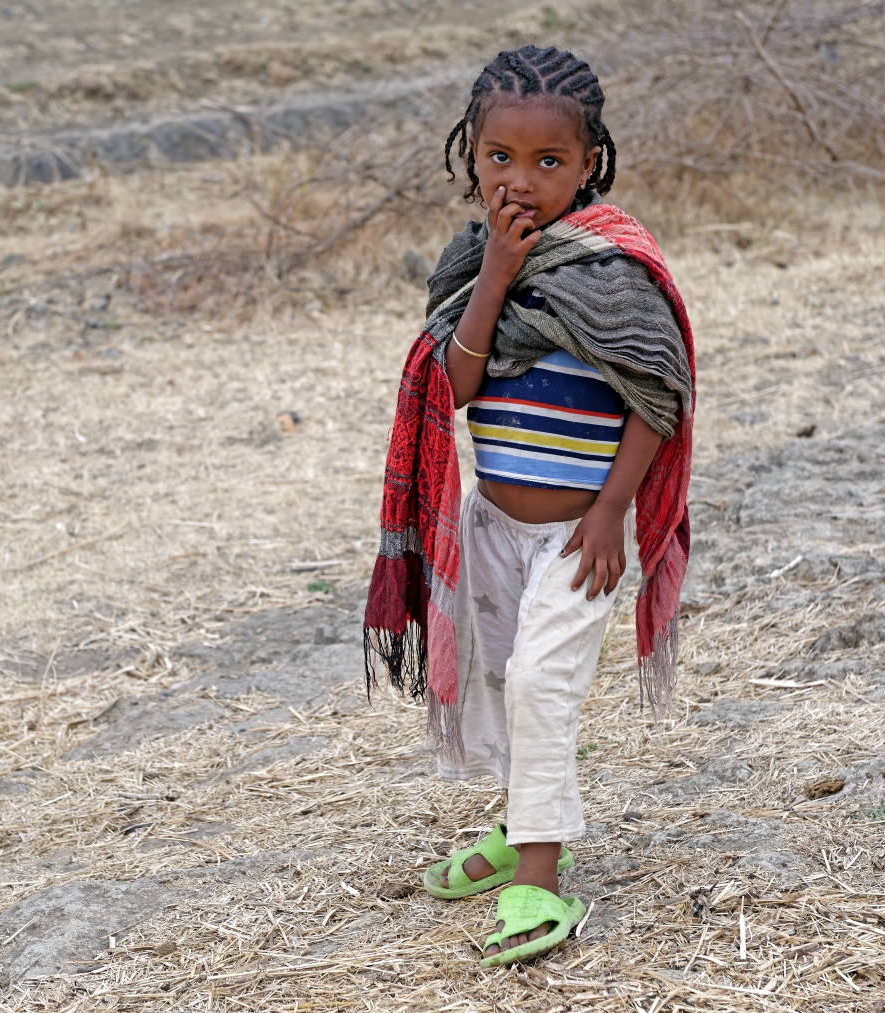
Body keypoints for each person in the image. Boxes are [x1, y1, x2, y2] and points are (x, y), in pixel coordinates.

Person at [364, 45, 696, 968]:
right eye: (499, 157)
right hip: (492, 528)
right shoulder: (473, 264)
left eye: (548, 161)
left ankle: (540, 880)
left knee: (544, 682)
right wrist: (498, 275)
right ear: (469, 155)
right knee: (501, 681)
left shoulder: (613, 269)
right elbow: (456, 386)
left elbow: (656, 395)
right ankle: (520, 826)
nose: (520, 179)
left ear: (588, 163)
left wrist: (611, 510)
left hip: (578, 536)